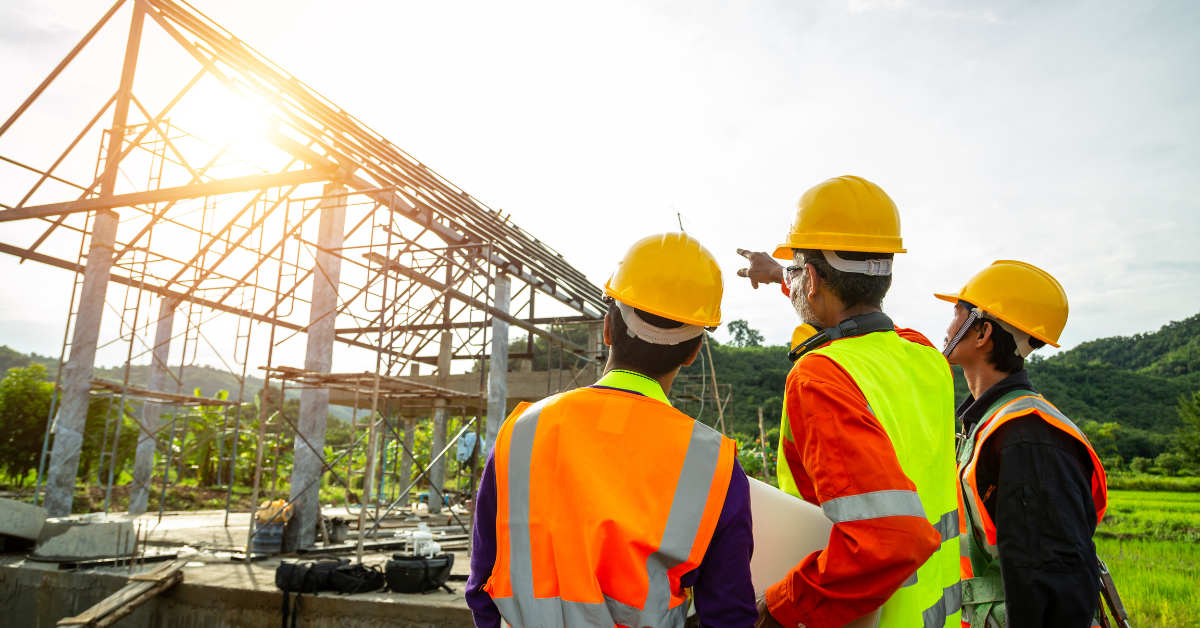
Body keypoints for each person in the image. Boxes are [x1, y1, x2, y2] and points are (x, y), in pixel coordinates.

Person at [466, 232, 757, 628]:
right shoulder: (714, 468)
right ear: (693, 352)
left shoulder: (520, 434)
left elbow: (482, 582)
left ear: (607, 329)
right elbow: (728, 617)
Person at [737, 175, 960, 628]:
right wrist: (784, 274)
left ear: (813, 279)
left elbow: (888, 540)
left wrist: (778, 609)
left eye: (799, 271)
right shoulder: (925, 357)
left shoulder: (822, 375)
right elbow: (847, 311)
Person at [937, 260, 1108, 628]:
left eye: (957, 312)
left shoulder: (1027, 437)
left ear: (981, 332)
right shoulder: (988, 423)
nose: (948, 326)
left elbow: (1054, 584)